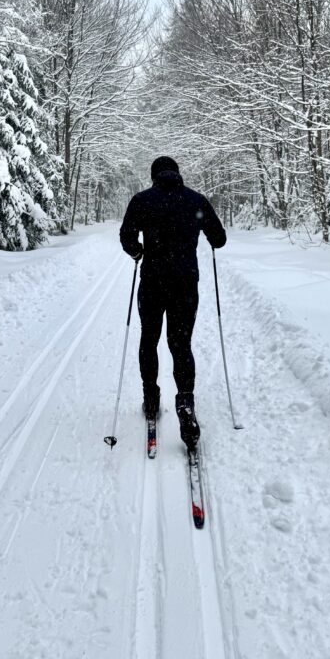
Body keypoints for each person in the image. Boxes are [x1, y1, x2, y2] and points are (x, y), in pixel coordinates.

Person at [119, 156, 227, 449]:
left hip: (153, 282)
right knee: (181, 344)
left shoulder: (142, 200)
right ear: (177, 174)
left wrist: (138, 251)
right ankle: (185, 404)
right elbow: (219, 239)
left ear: (154, 175)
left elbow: (127, 237)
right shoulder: (195, 199)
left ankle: (151, 399)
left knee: (149, 339)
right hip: (184, 284)